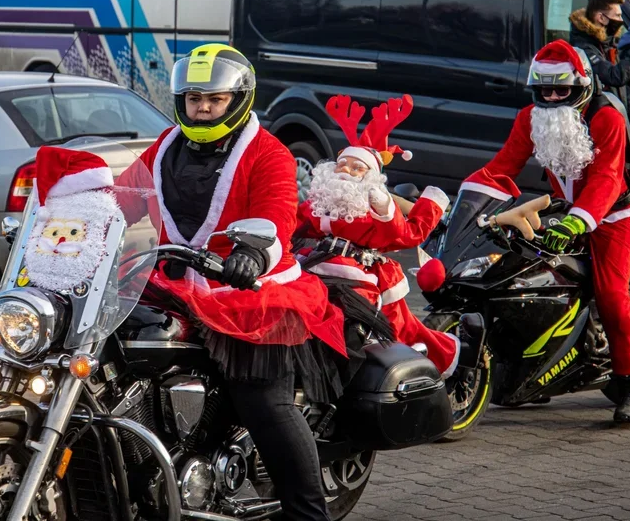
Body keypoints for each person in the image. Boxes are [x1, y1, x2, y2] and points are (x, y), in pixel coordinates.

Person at [118, 43, 346, 521]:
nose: (201, 108)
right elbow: (124, 197)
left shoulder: (270, 154)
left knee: (262, 399)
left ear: (238, 99)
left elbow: (276, 217)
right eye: (193, 98)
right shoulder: (164, 149)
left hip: (251, 292)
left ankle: (309, 513)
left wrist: (250, 252)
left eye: (214, 99)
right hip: (179, 286)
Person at [460, 40, 630, 424]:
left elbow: (608, 178)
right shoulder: (531, 117)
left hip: (613, 217)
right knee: (520, 276)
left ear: (582, 86)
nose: (552, 97)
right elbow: (502, 167)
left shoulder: (606, 116)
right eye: (544, 90)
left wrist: (580, 220)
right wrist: (461, 203)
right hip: (562, 212)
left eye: (562, 89)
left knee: (611, 295)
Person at [293, 93, 483, 378]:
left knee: (402, 331)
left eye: (357, 168)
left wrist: (385, 208)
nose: (347, 171)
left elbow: (401, 234)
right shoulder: (318, 205)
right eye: (343, 165)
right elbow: (291, 221)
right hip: (315, 265)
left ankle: (454, 355)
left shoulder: (373, 209)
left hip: (362, 274)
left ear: (370, 178)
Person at [569, 0, 630, 126]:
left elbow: (624, 87)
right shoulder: (584, 47)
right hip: (597, 123)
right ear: (601, 18)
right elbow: (614, 76)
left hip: (618, 121)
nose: (621, 21)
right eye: (617, 15)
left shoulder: (608, 44)